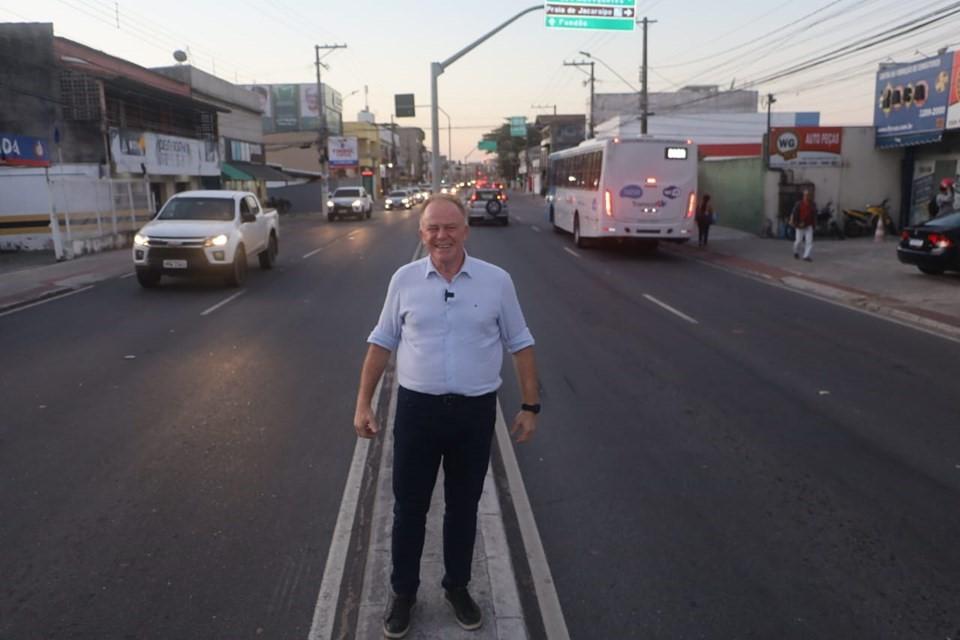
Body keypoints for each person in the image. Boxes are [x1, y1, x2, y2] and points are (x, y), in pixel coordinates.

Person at [354, 193, 540, 638]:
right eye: (432, 228)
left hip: (474, 416)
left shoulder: (497, 281)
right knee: (409, 509)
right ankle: (403, 593)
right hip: (417, 412)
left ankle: (457, 586)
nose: (442, 236)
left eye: (450, 227)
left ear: (465, 230)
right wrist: (364, 401)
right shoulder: (404, 280)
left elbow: (521, 343)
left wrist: (530, 406)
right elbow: (382, 342)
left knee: (463, 508)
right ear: (422, 234)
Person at [789, 189, 817, 262]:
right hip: (800, 225)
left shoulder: (813, 204)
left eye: (809, 195)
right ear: (803, 196)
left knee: (809, 242)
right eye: (806, 195)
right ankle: (795, 252)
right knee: (798, 241)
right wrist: (792, 220)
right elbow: (793, 212)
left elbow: (814, 215)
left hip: (809, 225)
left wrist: (814, 224)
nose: (807, 196)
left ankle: (806, 256)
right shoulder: (799, 204)